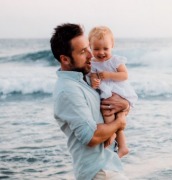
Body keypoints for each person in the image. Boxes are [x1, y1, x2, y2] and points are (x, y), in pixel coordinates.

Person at [50, 23, 129, 180]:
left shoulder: (86, 78)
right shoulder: (68, 91)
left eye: (88, 48)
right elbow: (91, 137)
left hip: (109, 165)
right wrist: (119, 122)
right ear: (65, 59)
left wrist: (124, 105)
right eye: (82, 51)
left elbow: (113, 99)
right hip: (98, 172)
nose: (90, 55)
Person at [89, 26, 138, 158]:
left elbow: (124, 75)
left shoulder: (115, 60)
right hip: (106, 92)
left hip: (119, 91)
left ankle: (116, 139)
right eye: (96, 49)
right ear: (90, 47)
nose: (101, 52)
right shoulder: (92, 63)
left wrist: (109, 75)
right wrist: (95, 81)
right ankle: (120, 143)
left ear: (112, 45)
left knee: (112, 114)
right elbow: (92, 77)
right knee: (108, 113)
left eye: (106, 48)